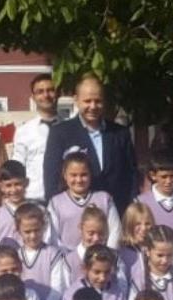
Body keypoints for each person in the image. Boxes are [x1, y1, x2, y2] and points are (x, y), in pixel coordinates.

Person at [42, 74, 136, 211]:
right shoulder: (60, 133)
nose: (93, 106)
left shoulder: (120, 133)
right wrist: (55, 209)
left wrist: (131, 207)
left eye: (98, 101)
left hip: (117, 210)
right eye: (87, 101)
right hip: (75, 211)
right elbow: (51, 176)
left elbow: (131, 174)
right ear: (76, 100)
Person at [48, 148, 122, 248]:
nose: (79, 180)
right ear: (65, 175)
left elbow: (115, 230)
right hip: (67, 256)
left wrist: (108, 254)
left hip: (101, 255)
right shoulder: (56, 203)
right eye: (73, 175)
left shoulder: (104, 199)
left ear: (90, 174)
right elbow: (53, 237)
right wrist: (66, 256)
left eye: (83, 175)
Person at [56, 246, 129, 300]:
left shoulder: (117, 293)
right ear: (85, 269)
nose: (102, 278)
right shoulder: (73, 292)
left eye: (107, 272)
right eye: (97, 272)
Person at [12, 73, 61, 200]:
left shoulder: (70, 129)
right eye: (40, 92)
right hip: (33, 199)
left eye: (50, 90)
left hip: (63, 199)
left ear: (58, 93)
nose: (46, 95)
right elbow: (17, 168)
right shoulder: (23, 131)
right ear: (33, 97)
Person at [15, 203, 69, 300]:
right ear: (18, 230)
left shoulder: (53, 254)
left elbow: (57, 291)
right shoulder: (15, 256)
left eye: (37, 230)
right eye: (27, 232)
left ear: (43, 227)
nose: (33, 235)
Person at [136, 153, 173, 238]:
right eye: (164, 177)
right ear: (153, 175)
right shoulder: (142, 202)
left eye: (172, 176)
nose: (168, 181)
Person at [0, 160, 31, 247]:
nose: (14, 190)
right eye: (8, 185)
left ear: (26, 183)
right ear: (1, 187)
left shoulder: (38, 211)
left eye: (17, 184)